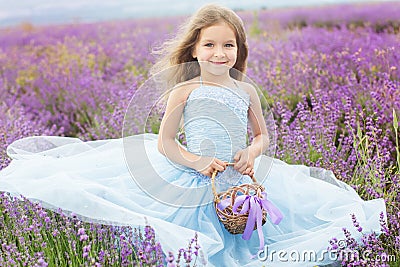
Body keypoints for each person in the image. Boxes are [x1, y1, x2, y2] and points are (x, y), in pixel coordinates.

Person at [0, 4, 386, 267]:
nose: (220, 53)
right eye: (210, 45)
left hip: (240, 180)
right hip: (192, 178)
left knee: (261, 240)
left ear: (239, 49)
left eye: (228, 45)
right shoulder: (185, 91)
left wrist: (253, 152)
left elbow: (262, 136)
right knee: (191, 246)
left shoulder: (246, 90)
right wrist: (197, 161)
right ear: (195, 50)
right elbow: (167, 143)